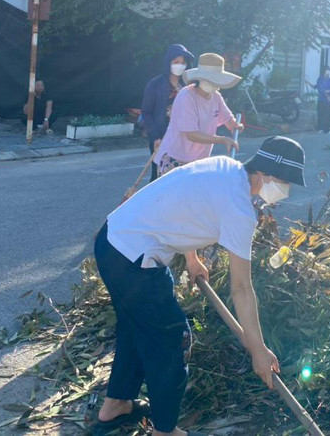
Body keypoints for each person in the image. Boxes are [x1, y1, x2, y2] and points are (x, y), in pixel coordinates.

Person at [93, 136, 305, 436]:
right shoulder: (240, 210)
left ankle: (115, 406)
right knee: (171, 339)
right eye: (285, 182)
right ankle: (165, 430)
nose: (285, 191)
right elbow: (242, 288)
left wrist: (192, 259)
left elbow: (181, 198)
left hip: (111, 242)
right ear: (266, 174)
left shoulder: (225, 166)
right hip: (132, 262)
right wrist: (258, 349)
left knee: (135, 327)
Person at [153, 54, 243, 176]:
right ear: (199, 79)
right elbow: (192, 134)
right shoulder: (187, 96)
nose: (214, 84)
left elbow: (228, 119)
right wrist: (222, 139)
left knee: (194, 195)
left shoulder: (216, 96)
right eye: (210, 80)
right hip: (175, 158)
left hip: (199, 161)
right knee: (176, 195)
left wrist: (235, 126)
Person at [141, 44, 195, 181]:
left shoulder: (189, 86)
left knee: (181, 177)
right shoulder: (155, 85)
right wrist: (155, 136)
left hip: (184, 139)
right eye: (176, 62)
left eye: (183, 62)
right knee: (158, 176)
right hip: (161, 137)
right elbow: (146, 112)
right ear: (168, 62)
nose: (180, 65)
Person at [307, 65, 330, 133]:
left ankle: (327, 128)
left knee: (328, 115)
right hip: (322, 100)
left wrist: (328, 91)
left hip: (328, 102)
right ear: (324, 71)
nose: (328, 72)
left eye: (329, 71)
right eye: (327, 70)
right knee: (321, 114)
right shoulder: (320, 79)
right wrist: (327, 94)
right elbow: (321, 89)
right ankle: (320, 128)